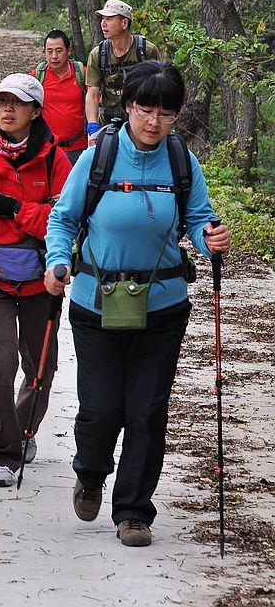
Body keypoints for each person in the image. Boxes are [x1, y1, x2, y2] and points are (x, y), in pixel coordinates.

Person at [45, 61, 230, 546]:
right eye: (145, 109)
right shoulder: (98, 156)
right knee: (102, 409)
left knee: (147, 410)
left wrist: (211, 238)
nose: (154, 121)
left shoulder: (181, 161)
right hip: (94, 299)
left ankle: (133, 512)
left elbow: (198, 219)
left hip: (163, 305)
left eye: (165, 113)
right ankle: (89, 473)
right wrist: (57, 262)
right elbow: (63, 219)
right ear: (127, 106)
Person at [0, 73, 72, 487]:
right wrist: (31, 224)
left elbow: (66, 220)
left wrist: (17, 211)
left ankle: (22, 431)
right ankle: (1, 455)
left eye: (17, 102)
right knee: (1, 361)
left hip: (44, 278)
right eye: (2, 101)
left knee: (42, 365)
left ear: (36, 111)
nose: (6, 109)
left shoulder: (57, 159)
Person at [84, 0, 161, 145]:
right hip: (108, 122)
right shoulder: (98, 54)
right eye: (102, 19)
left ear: (124, 23)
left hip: (140, 122)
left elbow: (159, 90)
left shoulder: (146, 51)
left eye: (109, 19)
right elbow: (92, 94)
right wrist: (93, 127)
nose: (103, 23)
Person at [31, 29, 87, 164]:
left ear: (69, 50)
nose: (54, 56)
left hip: (79, 148)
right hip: (46, 147)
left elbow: (96, 104)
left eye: (59, 50)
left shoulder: (83, 74)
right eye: (49, 51)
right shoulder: (38, 76)